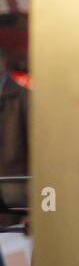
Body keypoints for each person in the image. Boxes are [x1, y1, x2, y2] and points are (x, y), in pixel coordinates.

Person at [0, 46, 29, 228]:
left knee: (13, 255)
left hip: (14, 214)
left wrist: (39, 211)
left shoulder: (26, 100)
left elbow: (45, 161)